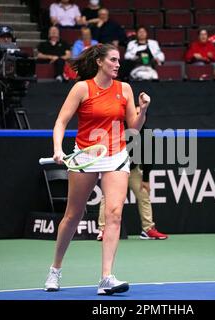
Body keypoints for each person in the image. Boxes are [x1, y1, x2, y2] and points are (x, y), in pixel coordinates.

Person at [43, 43, 151, 294]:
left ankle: (106, 277)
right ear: (100, 62)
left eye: (118, 60)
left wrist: (143, 109)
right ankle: (55, 269)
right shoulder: (82, 88)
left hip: (116, 155)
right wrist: (58, 148)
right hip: (85, 156)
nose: (117, 64)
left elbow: (133, 127)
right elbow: (60, 122)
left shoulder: (125, 89)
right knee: (73, 216)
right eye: (113, 60)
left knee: (114, 214)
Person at [97, 114, 168, 241]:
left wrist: (145, 179)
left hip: (133, 170)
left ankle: (148, 230)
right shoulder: (118, 129)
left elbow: (149, 157)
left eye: (139, 114)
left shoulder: (147, 133)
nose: (135, 117)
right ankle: (103, 230)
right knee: (107, 198)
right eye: (133, 114)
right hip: (116, 169)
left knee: (144, 196)